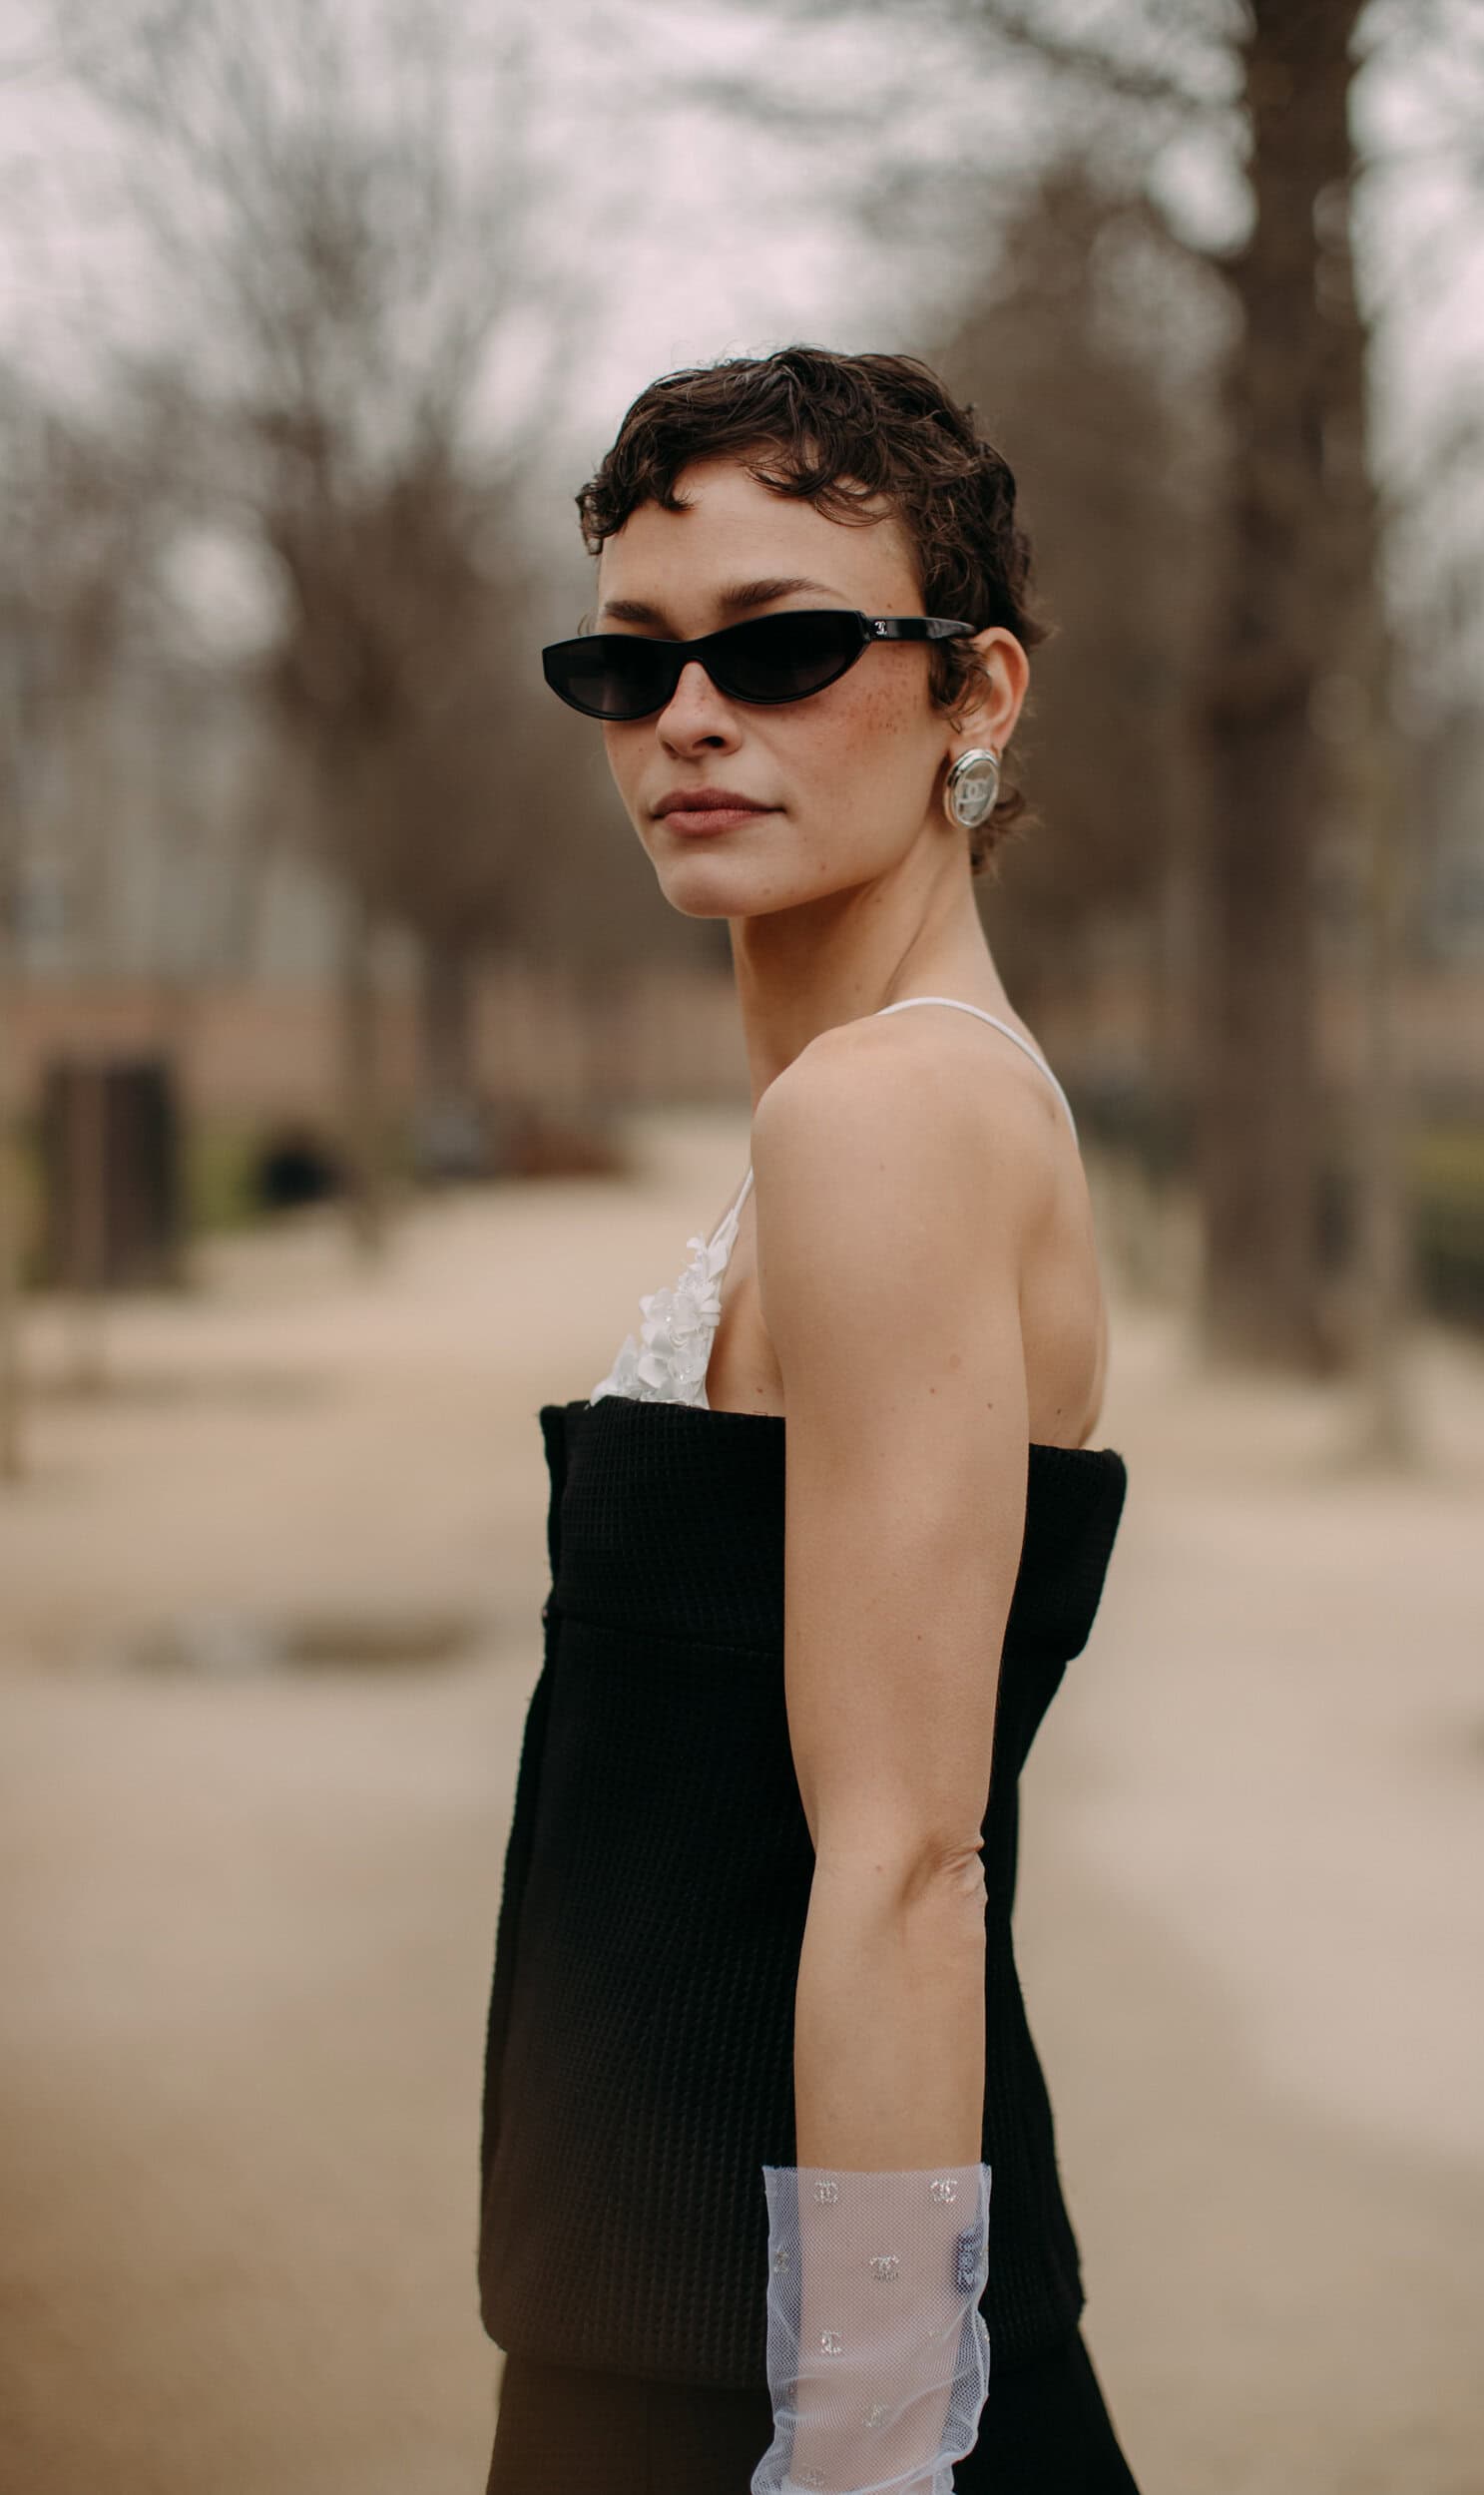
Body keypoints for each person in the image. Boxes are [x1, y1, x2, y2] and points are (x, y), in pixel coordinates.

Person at [478, 345, 1143, 2491]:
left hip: (767, 2373)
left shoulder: (888, 1112)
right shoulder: (877, 1103)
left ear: (977, 692)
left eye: (779, 648)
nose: (689, 716)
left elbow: (907, 1856)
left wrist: (865, 2439)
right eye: (630, 662)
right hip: (661, 2312)